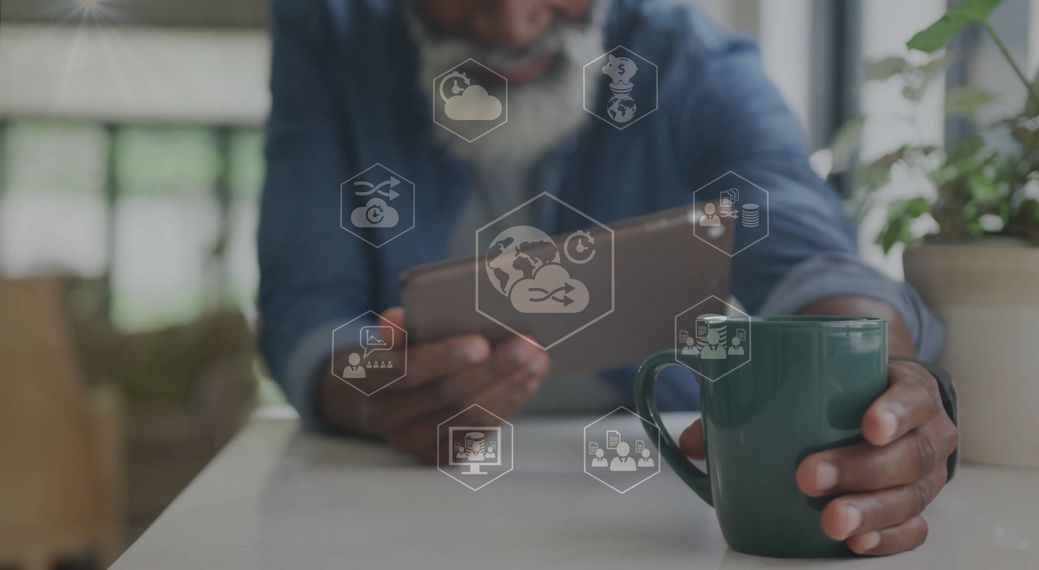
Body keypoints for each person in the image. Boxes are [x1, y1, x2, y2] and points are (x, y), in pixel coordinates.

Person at [259, 0, 957, 556]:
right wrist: (372, 393)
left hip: (650, 490)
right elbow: (307, 308)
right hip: (392, 507)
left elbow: (809, 249)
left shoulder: (686, 57)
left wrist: (870, 377)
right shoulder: (330, 33)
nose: (513, 20)